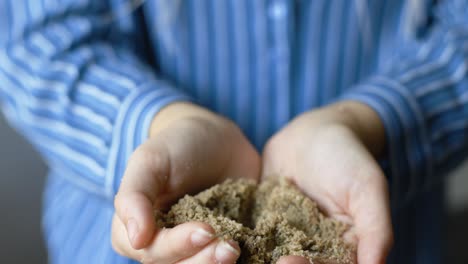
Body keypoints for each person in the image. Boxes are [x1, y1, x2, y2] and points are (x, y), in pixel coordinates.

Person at [0, 0, 466, 263]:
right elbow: (34, 39)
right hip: (119, 233)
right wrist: (161, 124)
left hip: (370, 224)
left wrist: (367, 122)